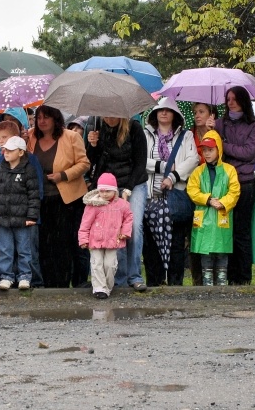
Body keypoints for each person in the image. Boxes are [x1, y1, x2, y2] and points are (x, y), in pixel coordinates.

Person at [26, 105, 90, 288]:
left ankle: (69, 282)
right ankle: (48, 283)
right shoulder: (30, 136)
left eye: (46, 117)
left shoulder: (71, 137)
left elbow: (84, 163)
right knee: (45, 244)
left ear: (56, 119)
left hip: (68, 199)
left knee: (65, 243)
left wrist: (63, 175)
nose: (42, 121)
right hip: (41, 199)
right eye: (39, 118)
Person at [87, 116, 148, 292]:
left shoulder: (134, 128)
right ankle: (118, 277)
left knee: (134, 226)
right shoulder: (99, 128)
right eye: (105, 114)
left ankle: (134, 275)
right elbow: (92, 162)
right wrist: (92, 145)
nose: (109, 118)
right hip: (109, 186)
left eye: (112, 114)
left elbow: (140, 163)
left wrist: (128, 188)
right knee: (115, 228)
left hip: (134, 183)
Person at [209, 86, 255, 284]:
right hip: (223, 182)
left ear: (243, 101)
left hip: (245, 182)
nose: (230, 102)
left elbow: (249, 153)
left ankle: (243, 277)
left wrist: (224, 145)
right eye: (227, 99)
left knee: (242, 232)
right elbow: (212, 148)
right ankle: (227, 276)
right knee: (225, 230)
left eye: (234, 99)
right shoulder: (219, 124)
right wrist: (212, 132)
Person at [142, 97, 198, 286]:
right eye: (160, 110)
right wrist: (162, 166)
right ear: (154, 114)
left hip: (176, 197)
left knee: (176, 243)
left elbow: (192, 159)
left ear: (175, 114)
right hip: (151, 198)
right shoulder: (146, 135)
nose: (164, 113)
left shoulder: (186, 136)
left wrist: (173, 176)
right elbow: (140, 160)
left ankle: (175, 283)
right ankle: (154, 282)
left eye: (168, 110)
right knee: (151, 245)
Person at [186, 131, 240, 286]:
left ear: (219, 150)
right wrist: (208, 199)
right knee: (205, 252)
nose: (207, 153)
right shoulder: (198, 171)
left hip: (221, 215)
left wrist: (223, 203)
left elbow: (234, 191)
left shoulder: (229, 170)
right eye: (204, 150)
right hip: (204, 216)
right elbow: (192, 190)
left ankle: (222, 283)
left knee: (221, 251)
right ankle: (207, 283)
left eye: (210, 150)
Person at [0, 136, 40, 291]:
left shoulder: (29, 170)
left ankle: (24, 276)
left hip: (22, 220)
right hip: (3, 219)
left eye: (10, 150)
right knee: (4, 249)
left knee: (24, 249)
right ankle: (6, 277)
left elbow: (34, 195)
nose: (6, 152)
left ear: (21, 152)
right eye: (5, 149)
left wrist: (31, 216)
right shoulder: (0, 169)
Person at [78, 172, 133, 299]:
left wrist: (125, 232)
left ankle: (107, 286)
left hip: (113, 240)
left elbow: (128, 217)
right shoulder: (93, 205)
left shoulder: (122, 205)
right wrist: (83, 239)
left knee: (110, 265)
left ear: (115, 190)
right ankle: (99, 288)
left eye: (108, 191)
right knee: (96, 263)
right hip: (95, 240)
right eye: (102, 191)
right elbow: (85, 223)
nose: (104, 194)